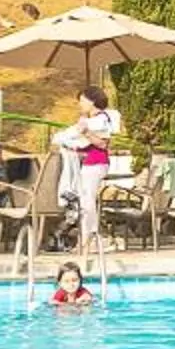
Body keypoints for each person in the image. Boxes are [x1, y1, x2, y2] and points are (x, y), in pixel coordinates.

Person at [57, 86, 120, 252]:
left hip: (96, 163)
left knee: (87, 201)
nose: (80, 104)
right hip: (87, 163)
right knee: (84, 200)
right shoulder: (89, 119)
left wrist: (85, 133)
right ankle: (86, 238)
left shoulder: (102, 120)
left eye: (82, 100)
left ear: (92, 101)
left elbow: (103, 143)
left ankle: (91, 237)